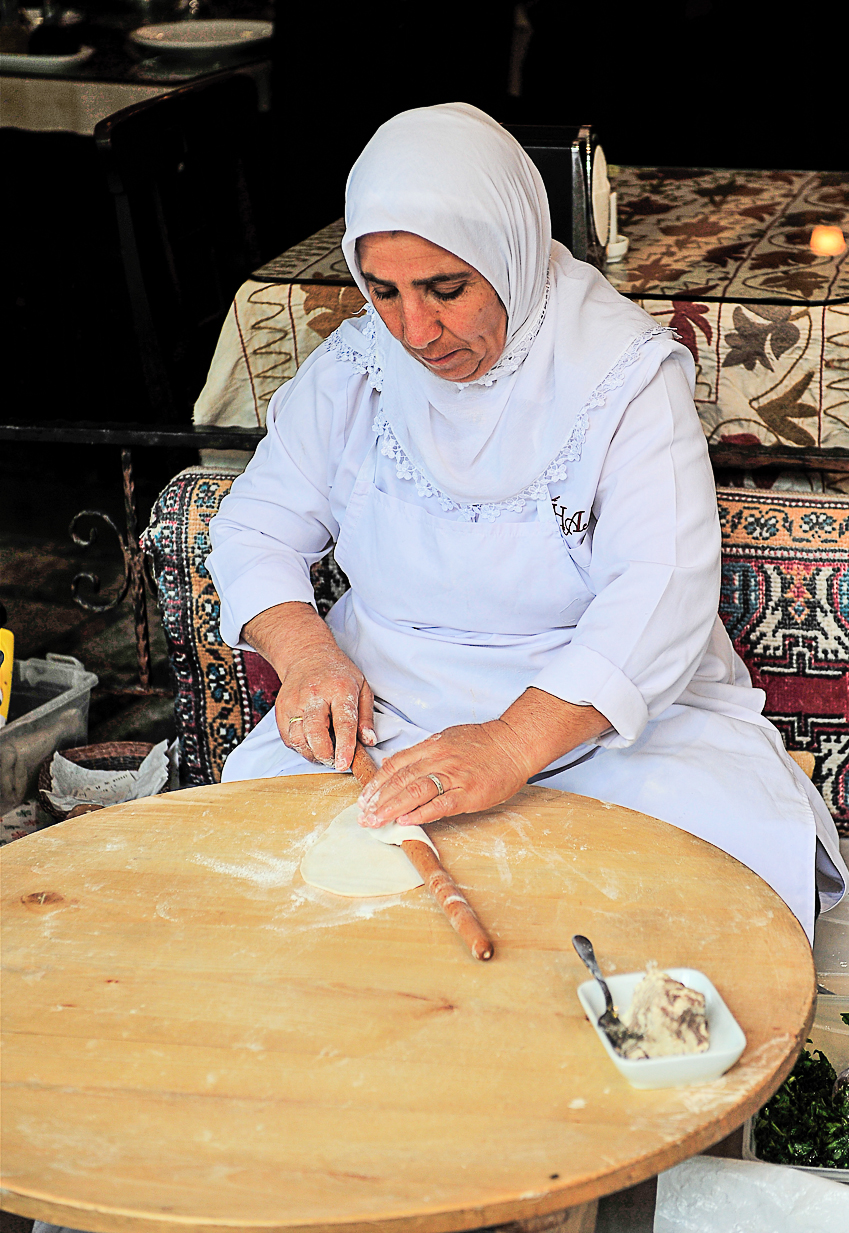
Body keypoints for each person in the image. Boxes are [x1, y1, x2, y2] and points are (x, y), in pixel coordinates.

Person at [207, 103, 846, 944]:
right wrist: (306, 654)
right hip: (388, 709)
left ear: (508, 251)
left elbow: (661, 593)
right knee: (267, 901)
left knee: (680, 906)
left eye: (446, 288)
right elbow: (254, 527)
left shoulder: (620, 377)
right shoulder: (358, 367)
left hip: (600, 719)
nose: (415, 330)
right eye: (383, 291)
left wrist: (509, 744)